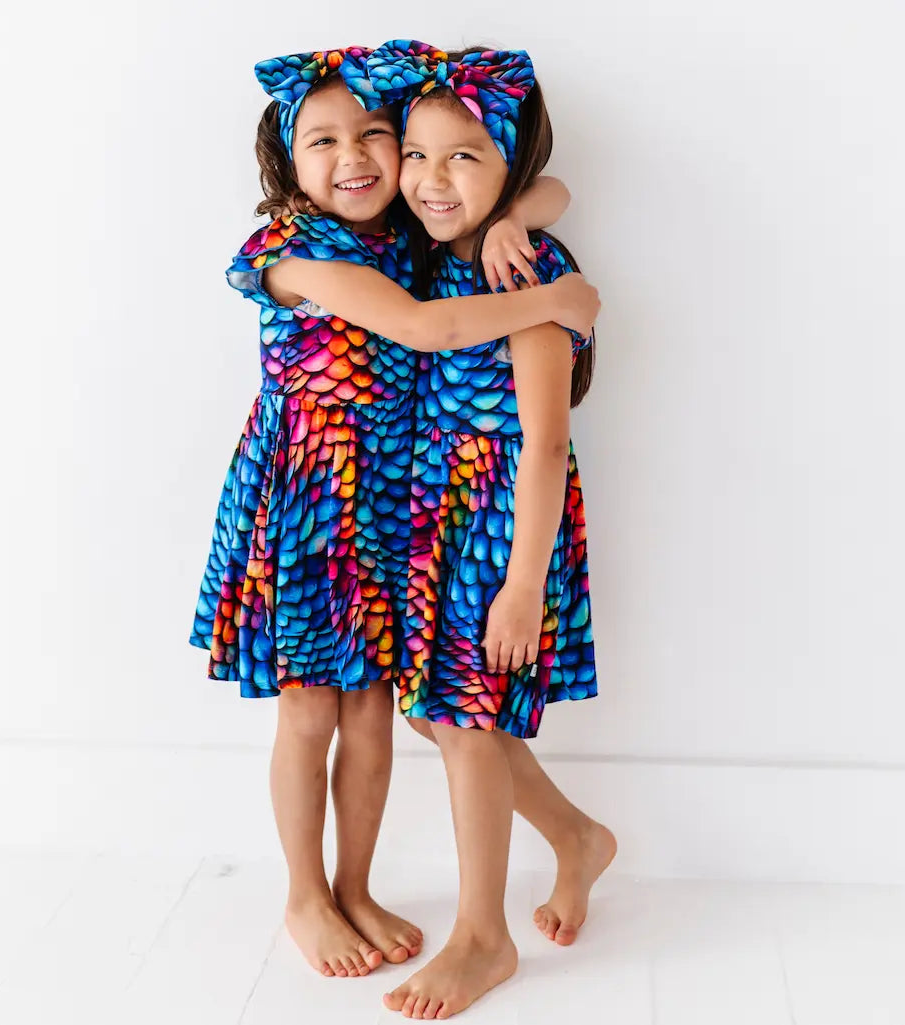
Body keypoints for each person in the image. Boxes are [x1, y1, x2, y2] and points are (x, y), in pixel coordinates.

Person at [189, 46, 600, 981]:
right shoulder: (291, 252)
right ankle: (305, 894)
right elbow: (423, 330)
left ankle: (359, 884)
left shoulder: (417, 238)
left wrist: (524, 222)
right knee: (315, 715)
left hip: (396, 511)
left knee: (382, 714)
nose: (365, 158)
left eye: (377, 134)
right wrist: (566, 299)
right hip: (306, 510)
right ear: (282, 158)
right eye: (324, 138)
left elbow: (550, 187)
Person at [364, 41, 616, 1018]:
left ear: (505, 161)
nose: (429, 179)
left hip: (501, 531)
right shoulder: (426, 251)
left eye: (462, 157)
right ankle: (578, 836)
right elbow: (543, 186)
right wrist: (514, 200)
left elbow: (545, 447)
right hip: (429, 526)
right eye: (416, 155)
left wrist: (521, 583)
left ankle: (482, 935)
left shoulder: (532, 271)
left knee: (467, 724)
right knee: (434, 712)